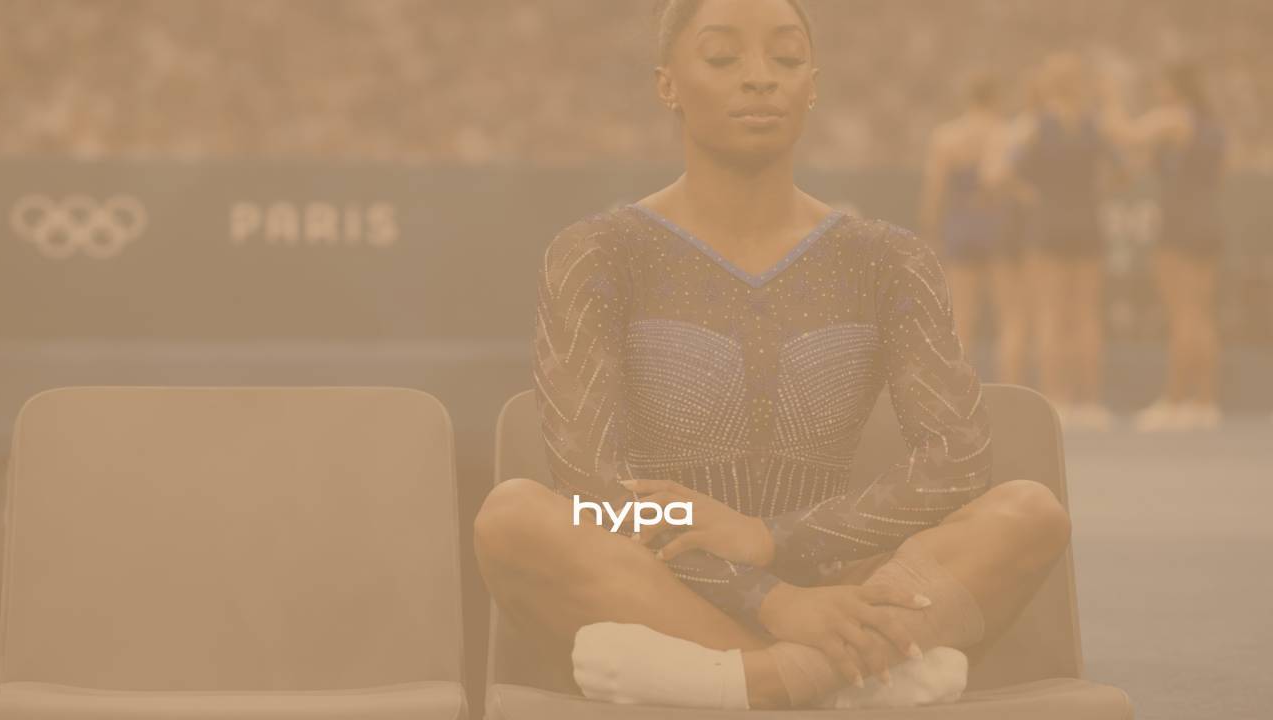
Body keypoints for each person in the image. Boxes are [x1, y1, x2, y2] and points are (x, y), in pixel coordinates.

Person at [474, 0, 1072, 711]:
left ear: (812, 85)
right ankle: (839, 681)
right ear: (668, 84)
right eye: (723, 57)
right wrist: (769, 600)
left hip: (839, 583)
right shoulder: (598, 252)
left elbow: (957, 462)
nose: (759, 77)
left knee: (1030, 514)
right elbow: (593, 489)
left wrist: (771, 540)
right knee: (513, 518)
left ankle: (736, 684)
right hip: (661, 587)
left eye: (785, 58)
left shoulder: (886, 258)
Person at [1102, 61, 1227, 431]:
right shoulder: (1212, 126)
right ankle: (1204, 401)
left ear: (1175, 86)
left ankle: (1175, 400)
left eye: (1162, 85)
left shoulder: (1174, 117)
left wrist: (1111, 96)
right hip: (1208, 221)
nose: (1158, 92)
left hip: (1179, 224)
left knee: (1182, 314)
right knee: (1201, 314)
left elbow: (1125, 134)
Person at [1008, 53, 1122, 430]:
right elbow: (1123, 171)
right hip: (1086, 222)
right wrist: (1096, 194)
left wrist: (1034, 197)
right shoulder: (1093, 125)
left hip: (1049, 225)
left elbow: (1006, 173)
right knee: (1087, 314)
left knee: (1052, 314)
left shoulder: (1037, 126)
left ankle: (1057, 398)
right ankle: (1090, 401)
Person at [920, 72, 1029, 386]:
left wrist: (930, 229)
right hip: (997, 225)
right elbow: (1014, 186)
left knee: (963, 315)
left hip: (961, 226)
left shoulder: (947, 136)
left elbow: (935, 190)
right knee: (1010, 315)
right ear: (996, 98)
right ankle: (1010, 386)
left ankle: (960, 389)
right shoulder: (1006, 133)